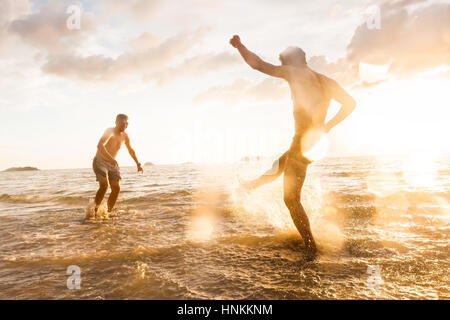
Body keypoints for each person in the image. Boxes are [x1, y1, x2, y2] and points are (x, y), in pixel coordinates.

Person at [229, 35, 356, 260]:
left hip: (302, 142)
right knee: (281, 163)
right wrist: (328, 126)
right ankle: (252, 185)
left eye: (284, 63)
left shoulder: (293, 72)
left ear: (291, 62)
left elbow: (257, 64)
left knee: (290, 199)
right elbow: (350, 103)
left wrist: (239, 46)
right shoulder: (325, 80)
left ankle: (311, 248)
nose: (283, 68)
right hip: (314, 141)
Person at [92, 114, 143, 213]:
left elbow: (130, 150)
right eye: (122, 123)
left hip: (112, 164)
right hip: (100, 161)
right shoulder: (110, 131)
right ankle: (94, 211)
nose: (125, 125)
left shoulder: (125, 136)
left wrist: (138, 163)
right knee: (104, 186)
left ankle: (108, 213)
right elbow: (100, 145)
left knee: (116, 188)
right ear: (116, 122)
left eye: (127, 123)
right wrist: (111, 159)